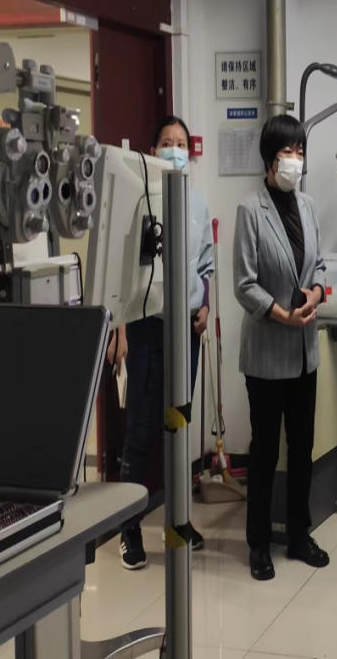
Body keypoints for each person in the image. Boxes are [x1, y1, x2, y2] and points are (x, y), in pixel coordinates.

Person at [110, 115, 214, 571]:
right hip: (146, 327)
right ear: (152, 152)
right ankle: (129, 529)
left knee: (178, 428)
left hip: (184, 330)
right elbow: (118, 269)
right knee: (140, 431)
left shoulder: (197, 204)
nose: (175, 150)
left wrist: (205, 304)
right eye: (167, 143)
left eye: (182, 144)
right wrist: (118, 329)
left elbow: (205, 266)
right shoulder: (138, 201)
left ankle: (178, 521)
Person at [233, 114, 329, 581]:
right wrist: (281, 313)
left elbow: (320, 264)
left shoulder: (307, 206)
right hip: (268, 356)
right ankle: (258, 543)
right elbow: (244, 284)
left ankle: (298, 534)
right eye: (288, 151)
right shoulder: (250, 211)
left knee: (302, 447)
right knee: (265, 451)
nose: (296, 160)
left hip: (305, 353)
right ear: (270, 159)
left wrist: (316, 294)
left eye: (300, 151)